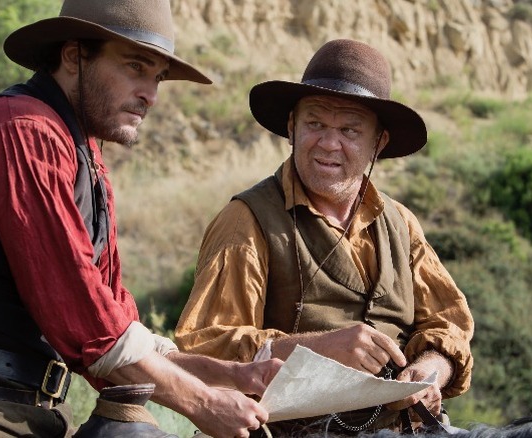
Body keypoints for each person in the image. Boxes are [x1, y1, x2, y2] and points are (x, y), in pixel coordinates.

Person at [0, 0, 281, 437]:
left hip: (28, 412)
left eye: (158, 77)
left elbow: (115, 324)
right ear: (74, 57)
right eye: (135, 67)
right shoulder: (21, 130)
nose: (151, 94)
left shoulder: (81, 153)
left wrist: (227, 375)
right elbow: (87, 323)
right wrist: (201, 402)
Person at [175, 38, 474, 436]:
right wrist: (317, 349)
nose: (329, 143)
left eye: (350, 130)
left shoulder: (401, 223)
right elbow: (204, 347)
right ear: (292, 128)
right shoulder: (246, 220)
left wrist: (432, 370)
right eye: (315, 124)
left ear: (377, 143)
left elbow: (449, 323)